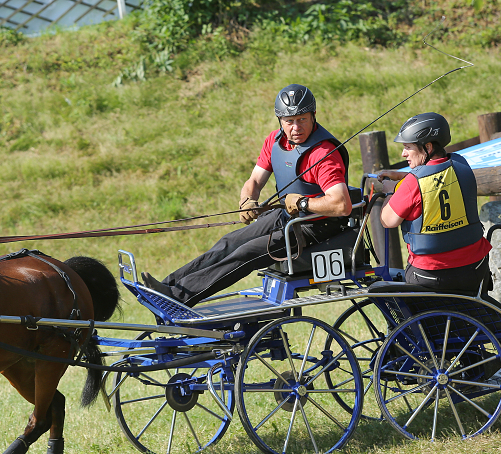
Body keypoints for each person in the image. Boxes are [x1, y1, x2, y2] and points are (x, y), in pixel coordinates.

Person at [141, 84, 353, 307]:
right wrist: (247, 200)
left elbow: (342, 205)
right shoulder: (275, 141)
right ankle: (167, 287)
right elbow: (254, 181)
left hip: (315, 227)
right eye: (289, 121)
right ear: (280, 120)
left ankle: (177, 299)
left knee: (247, 252)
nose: (296, 127)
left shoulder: (324, 154)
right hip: (288, 217)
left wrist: (302, 202)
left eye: (302, 119)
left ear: (313, 115)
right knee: (228, 242)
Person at [378, 112, 492, 292]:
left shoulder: (411, 184)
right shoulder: (462, 166)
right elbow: (437, 178)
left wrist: (391, 191)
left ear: (428, 147)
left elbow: (387, 220)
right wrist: (403, 179)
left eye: (408, 147)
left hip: (430, 276)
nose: (403, 153)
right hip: (475, 269)